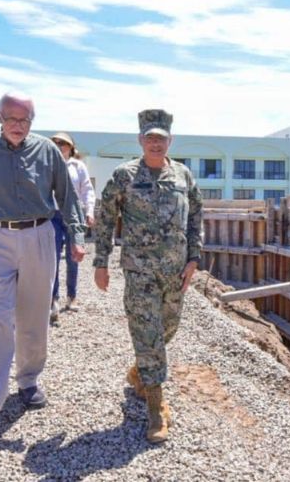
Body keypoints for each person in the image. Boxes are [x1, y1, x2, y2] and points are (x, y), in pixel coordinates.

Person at [0, 92, 86, 438]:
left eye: (24, 120)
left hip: (39, 236)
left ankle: (28, 380)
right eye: (11, 119)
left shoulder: (47, 150)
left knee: (34, 314)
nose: (17, 126)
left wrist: (76, 235)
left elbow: (67, 197)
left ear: (33, 120)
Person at [93, 109, 203, 444]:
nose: (155, 143)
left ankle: (141, 371)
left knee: (167, 329)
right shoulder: (124, 175)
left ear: (170, 140)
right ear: (141, 140)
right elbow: (105, 215)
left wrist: (194, 257)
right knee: (148, 334)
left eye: (161, 138)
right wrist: (101, 261)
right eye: (149, 137)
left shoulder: (183, 175)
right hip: (139, 273)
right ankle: (156, 409)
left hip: (175, 273)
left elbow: (196, 214)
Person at [49, 131, 96, 322]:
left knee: (73, 256)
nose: (60, 146)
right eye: (56, 143)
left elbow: (87, 189)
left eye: (63, 143)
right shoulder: (47, 165)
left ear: (70, 147)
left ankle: (72, 295)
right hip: (51, 215)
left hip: (73, 214)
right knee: (52, 258)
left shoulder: (78, 166)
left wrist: (89, 210)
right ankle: (54, 299)